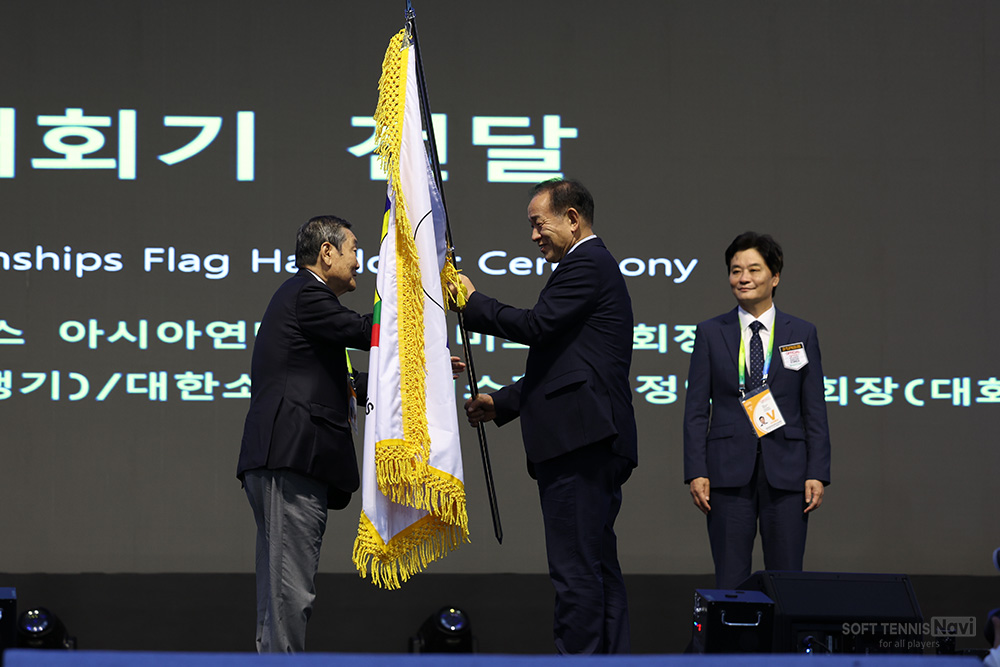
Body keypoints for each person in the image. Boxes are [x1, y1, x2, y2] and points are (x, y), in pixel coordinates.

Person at [455, 178, 637, 654]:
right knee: (597, 568)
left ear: (572, 219)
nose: (534, 235)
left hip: (579, 442)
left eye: (539, 224)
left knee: (576, 570)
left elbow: (538, 326)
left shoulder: (587, 262)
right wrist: (504, 403)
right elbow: (566, 362)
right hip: (591, 440)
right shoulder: (590, 265)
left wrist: (472, 303)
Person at [237, 215, 372, 653]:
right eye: (354, 250)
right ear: (327, 252)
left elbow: (349, 384)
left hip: (289, 460)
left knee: (280, 592)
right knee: (289, 592)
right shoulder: (307, 293)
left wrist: (423, 371)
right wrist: (415, 312)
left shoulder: (309, 304)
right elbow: (363, 331)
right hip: (291, 459)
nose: (359, 262)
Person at [683, 231, 831, 590]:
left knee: (787, 580)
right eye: (735, 271)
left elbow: (814, 409)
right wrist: (696, 471)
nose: (743, 278)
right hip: (726, 472)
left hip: (788, 472)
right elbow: (696, 410)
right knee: (730, 580)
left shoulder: (802, 333)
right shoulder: (710, 333)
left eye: (753, 269)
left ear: (774, 277)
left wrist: (817, 472)